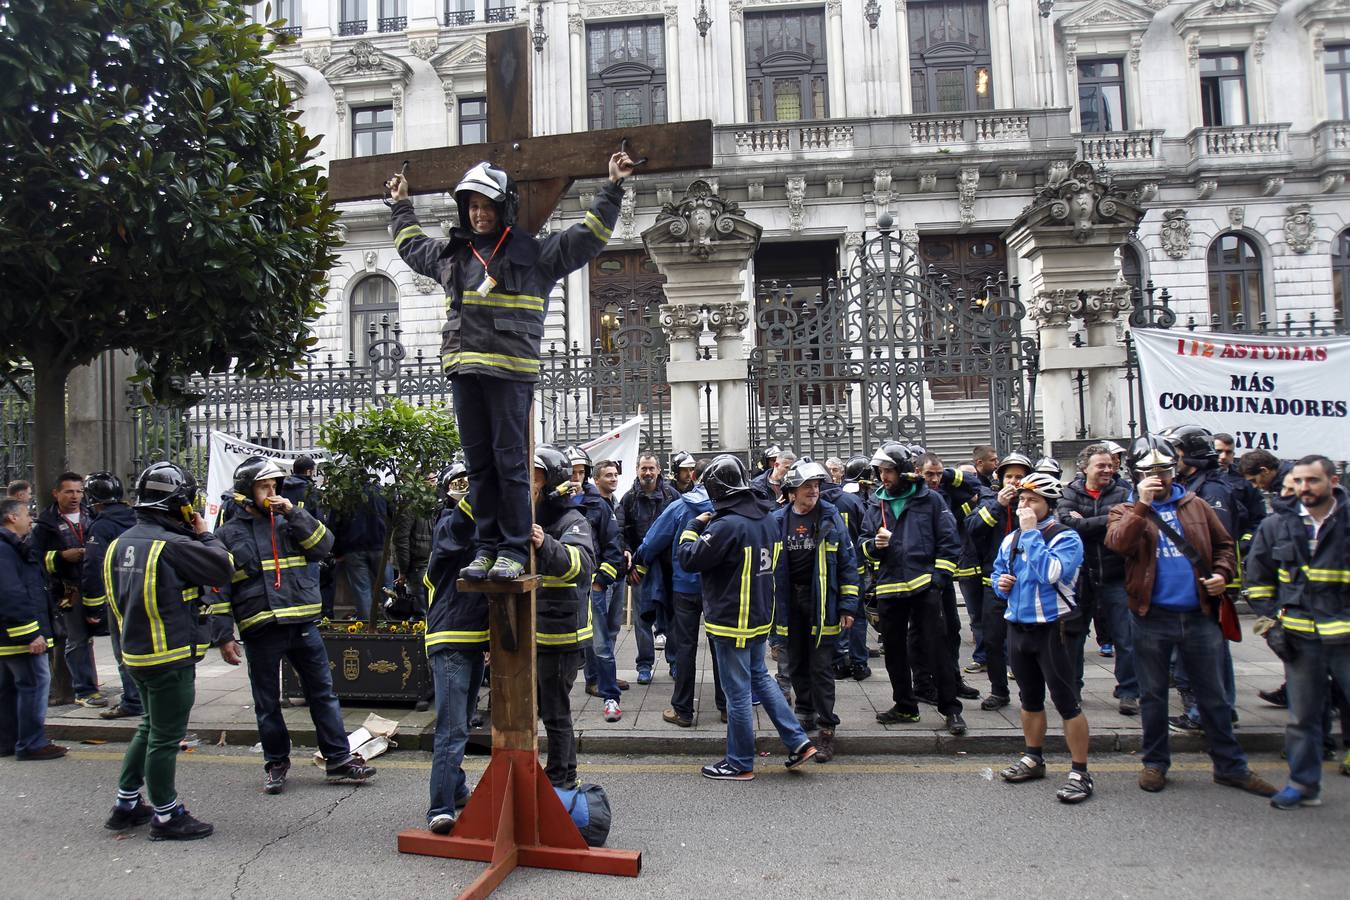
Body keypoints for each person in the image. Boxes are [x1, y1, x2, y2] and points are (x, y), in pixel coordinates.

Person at [387, 153, 631, 585]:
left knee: (511, 465)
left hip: (511, 376)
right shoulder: (453, 256)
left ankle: (515, 549)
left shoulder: (532, 253)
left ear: (504, 208)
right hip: (464, 371)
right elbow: (411, 247)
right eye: (472, 206)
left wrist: (612, 189)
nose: (479, 214)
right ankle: (486, 547)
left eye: (487, 206)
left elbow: (586, 238)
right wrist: (401, 206)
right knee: (478, 466)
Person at [1105, 436, 1276, 798]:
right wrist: (1142, 505)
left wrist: (1222, 574)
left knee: (1213, 695)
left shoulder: (1195, 504)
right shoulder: (1125, 510)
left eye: (1164, 470)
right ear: (1135, 475)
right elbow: (1119, 544)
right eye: (1149, 472)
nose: (1158, 477)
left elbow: (1226, 545)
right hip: (1151, 617)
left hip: (1199, 615)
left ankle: (1230, 766)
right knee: (1153, 696)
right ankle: (1155, 762)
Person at [214, 458, 375, 796]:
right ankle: (276, 763)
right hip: (262, 627)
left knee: (324, 694)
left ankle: (338, 760)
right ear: (247, 491)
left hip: (303, 623)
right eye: (264, 486)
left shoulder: (293, 521)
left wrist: (295, 513)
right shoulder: (228, 534)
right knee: (267, 701)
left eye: (275, 486)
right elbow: (218, 587)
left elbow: (325, 546)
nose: (271, 492)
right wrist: (224, 634)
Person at [103, 462, 235, 840]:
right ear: (177, 504)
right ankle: (165, 815)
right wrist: (205, 534)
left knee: (149, 727)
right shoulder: (173, 545)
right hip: (169, 656)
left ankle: (125, 804)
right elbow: (223, 566)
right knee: (164, 736)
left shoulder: (119, 543)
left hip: (135, 655)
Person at [678, 454, 817, 780]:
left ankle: (739, 762)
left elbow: (688, 558)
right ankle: (798, 741)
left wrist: (692, 526)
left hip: (732, 619)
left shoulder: (727, 525)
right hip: (758, 616)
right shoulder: (767, 519)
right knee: (760, 680)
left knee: (737, 694)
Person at [1245, 455, 1350, 809]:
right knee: (1302, 717)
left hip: (1347, 639)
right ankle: (1304, 785)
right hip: (1301, 639)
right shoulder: (1277, 524)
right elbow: (1258, 582)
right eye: (1299, 481)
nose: (1304, 488)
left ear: (1332, 482)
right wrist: (1271, 623)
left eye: (1313, 481)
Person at [991, 473, 1093, 803]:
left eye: (1032, 500)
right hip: (1018, 627)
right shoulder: (1012, 538)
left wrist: (1032, 533)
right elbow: (997, 572)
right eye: (1021, 500)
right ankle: (1033, 757)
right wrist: (1000, 583)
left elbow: (1051, 573)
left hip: (1054, 628)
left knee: (1066, 701)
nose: (1024, 506)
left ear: (1048, 505)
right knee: (1029, 698)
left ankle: (1080, 771)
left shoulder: (1065, 538)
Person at [861, 442, 965, 735]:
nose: (884, 477)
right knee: (894, 651)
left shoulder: (930, 501)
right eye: (881, 471)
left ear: (905, 471)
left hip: (924, 589)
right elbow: (863, 543)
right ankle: (905, 706)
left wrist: (938, 581)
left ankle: (951, 709)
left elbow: (949, 543)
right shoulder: (875, 503)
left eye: (890, 471)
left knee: (937, 649)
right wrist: (874, 547)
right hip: (890, 589)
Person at [772, 460, 859, 762]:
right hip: (788, 603)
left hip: (823, 603)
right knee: (795, 661)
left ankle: (826, 728)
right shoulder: (777, 520)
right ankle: (805, 712)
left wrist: (848, 605)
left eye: (817, 485)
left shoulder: (831, 518)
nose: (813, 490)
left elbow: (848, 563)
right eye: (807, 486)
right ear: (792, 491)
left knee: (821, 667)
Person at [633, 460, 726, 726]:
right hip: (718, 588)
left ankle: (683, 710)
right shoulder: (727, 506)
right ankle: (726, 706)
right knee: (721, 646)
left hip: (685, 585)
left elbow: (652, 541)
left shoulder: (681, 506)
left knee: (685, 647)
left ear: (695, 476)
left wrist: (640, 563)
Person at [422, 474, 487, 834]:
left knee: (463, 719)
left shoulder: (480, 530)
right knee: (452, 728)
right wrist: (483, 486)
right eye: (461, 483)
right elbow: (461, 527)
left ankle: (457, 788)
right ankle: (440, 808)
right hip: (450, 638)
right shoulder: (447, 523)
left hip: (473, 638)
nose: (466, 487)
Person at [531, 445, 596, 790]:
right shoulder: (528, 517)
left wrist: (546, 545)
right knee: (540, 709)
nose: (532, 485)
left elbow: (581, 566)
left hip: (561, 636)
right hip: (531, 635)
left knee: (556, 712)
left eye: (537, 479)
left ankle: (562, 777)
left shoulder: (572, 521)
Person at [1056, 444, 1136, 714]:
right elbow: (1068, 525)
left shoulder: (1124, 492)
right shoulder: (1069, 492)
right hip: (1080, 578)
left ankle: (1128, 692)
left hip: (1117, 575)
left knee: (1125, 637)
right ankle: (1072, 690)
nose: (1108, 469)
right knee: (1073, 637)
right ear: (1085, 468)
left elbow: (1126, 525)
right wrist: (1109, 519)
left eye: (1111, 465)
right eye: (1101, 465)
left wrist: (1087, 521)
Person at [967, 451, 1036, 711]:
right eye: (1009, 476)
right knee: (994, 640)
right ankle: (999, 691)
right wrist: (998, 504)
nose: (1014, 482)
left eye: (1020, 477)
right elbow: (973, 530)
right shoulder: (988, 499)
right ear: (1000, 478)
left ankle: (1031, 692)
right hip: (994, 583)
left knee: (1028, 644)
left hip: (1029, 586)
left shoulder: (1038, 501)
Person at [912, 452, 982, 704]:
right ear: (916, 472)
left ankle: (952, 679)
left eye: (939, 474)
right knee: (921, 632)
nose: (935, 479)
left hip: (944, 572)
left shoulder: (945, 492)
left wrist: (948, 474)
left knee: (952, 628)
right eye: (929, 474)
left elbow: (977, 485)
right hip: (919, 574)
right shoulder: (912, 495)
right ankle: (922, 683)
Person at [0, 498, 65, 761]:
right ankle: (32, 743)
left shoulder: (12, 547)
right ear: (12, 518)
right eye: (27, 514)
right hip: (19, 636)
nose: (31, 519)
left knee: (8, 688)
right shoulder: (5, 550)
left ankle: (8, 741)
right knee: (35, 683)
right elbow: (11, 594)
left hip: (8, 634)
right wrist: (31, 633)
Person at [31, 471, 102, 707]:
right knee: (77, 640)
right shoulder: (45, 524)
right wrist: (61, 557)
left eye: (79, 491)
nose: (75, 496)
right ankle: (84, 691)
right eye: (69, 491)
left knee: (99, 638)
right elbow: (35, 559)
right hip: (67, 591)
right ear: (56, 493)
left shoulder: (93, 516)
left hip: (95, 586)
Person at [565, 447, 626, 721]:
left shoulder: (598, 504)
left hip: (598, 582)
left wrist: (602, 580)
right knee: (597, 642)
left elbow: (613, 543)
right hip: (575, 584)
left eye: (581, 472)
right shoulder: (557, 504)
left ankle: (602, 684)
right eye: (572, 472)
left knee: (606, 638)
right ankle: (606, 692)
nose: (577, 477)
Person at [79, 472, 143, 720]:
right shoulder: (136, 518)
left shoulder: (102, 525)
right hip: (141, 592)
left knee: (122, 651)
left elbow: (94, 566)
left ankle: (133, 701)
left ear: (93, 499)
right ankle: (143, 697)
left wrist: (93, 607)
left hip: (116, 598)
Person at [619, 453, 681, 684]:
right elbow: (622, 532)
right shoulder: (628, 499)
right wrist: (629, 563)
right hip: (641, 568)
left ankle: (674, 662)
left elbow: (681, 528)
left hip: (669, 568)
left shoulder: (672, 496)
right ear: (637, 470)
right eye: (643, 468)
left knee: (674, 616)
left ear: (658, 470)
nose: (647, 473)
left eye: (651, 468)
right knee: (642, 620)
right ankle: (644, 665)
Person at [331, 480, 388, 620]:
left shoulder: (344, 494)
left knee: (362, 591)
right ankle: (392, 622)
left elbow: (334, 524)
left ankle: (367, 628)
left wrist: (337, 551)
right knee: (387, 589)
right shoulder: (381, 491)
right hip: (380, 545)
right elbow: (393, 516)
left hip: (353, 548)